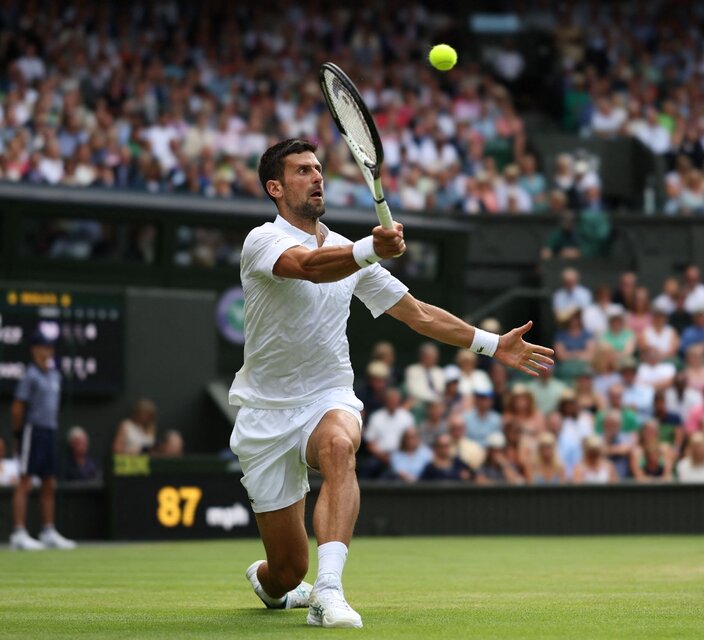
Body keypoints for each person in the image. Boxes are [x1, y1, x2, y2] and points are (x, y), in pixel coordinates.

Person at [228, 140, 552, 627]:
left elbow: (417, 314)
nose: (316, 177)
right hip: (264, 413)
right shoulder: (262, 241)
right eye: (301, 171)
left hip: (326, 396)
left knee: (339, 445)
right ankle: (275, 583)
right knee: (288, 570)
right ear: (275, 187)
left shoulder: (347, 253)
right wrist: (368, 250)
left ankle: (329, 592)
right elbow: (307, 269)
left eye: (318, 169)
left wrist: (491, 344)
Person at [10, 331, 76, 550]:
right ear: (34, 350)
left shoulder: (55, 376)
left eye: (50, 348)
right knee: (25, 480)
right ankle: (19, 532)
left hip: (50, 431)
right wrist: (19, 434)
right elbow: (18, 409)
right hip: (32, 431)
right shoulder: (30, 376)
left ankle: (48, 530)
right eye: (43, 347)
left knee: (49, 481)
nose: (47, 352)